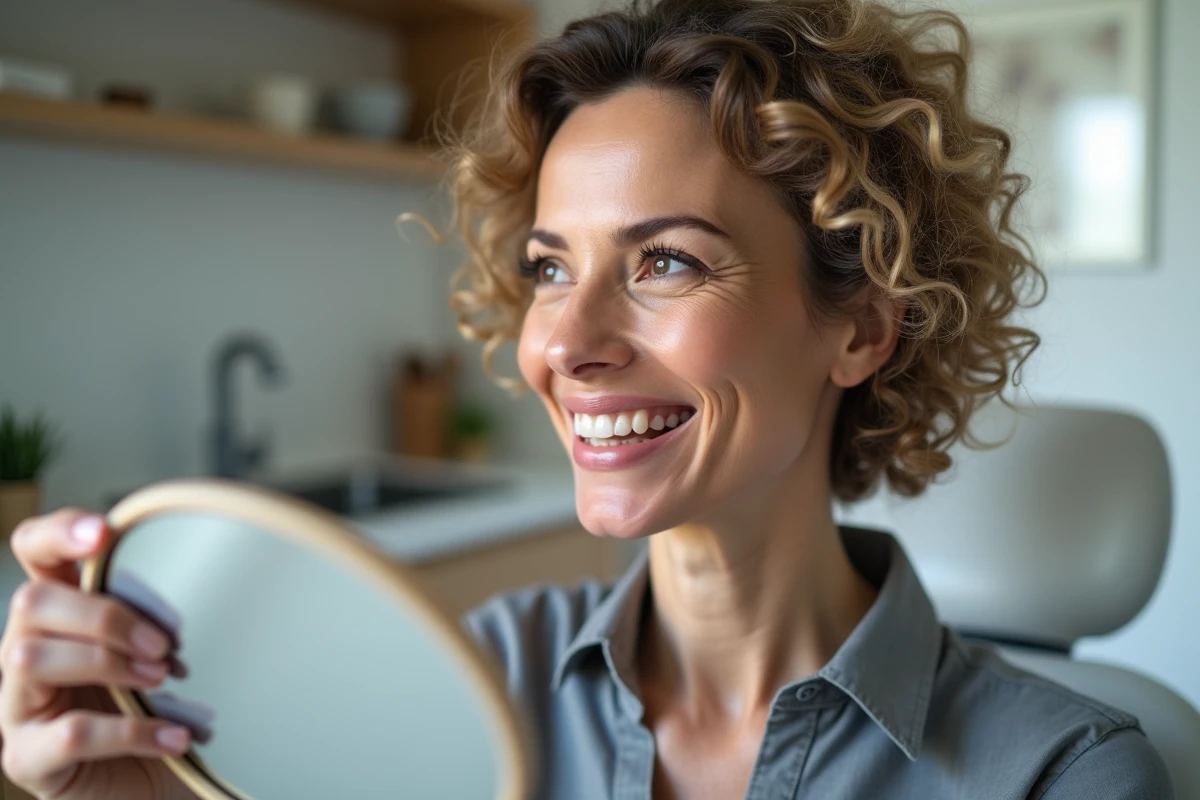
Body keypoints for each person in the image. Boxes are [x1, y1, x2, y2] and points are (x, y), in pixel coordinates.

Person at [0, 0, 1176, 798]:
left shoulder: (1063, 772)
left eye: (666, 261)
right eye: (550, 267)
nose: (560, 341)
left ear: (862, 324)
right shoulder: (467, 682)